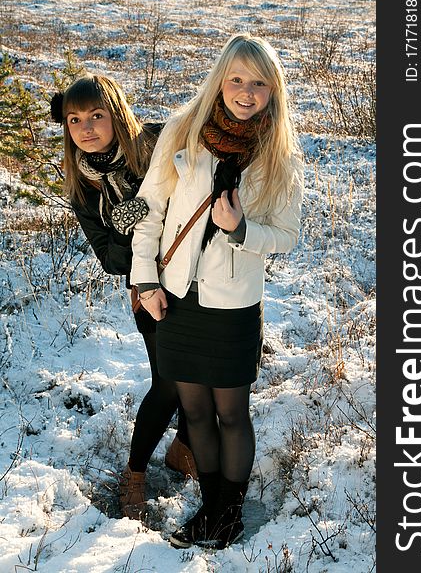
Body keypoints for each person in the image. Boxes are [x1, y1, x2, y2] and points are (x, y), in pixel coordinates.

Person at [131, 34, 304, 549]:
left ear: (273, 92)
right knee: (197, 412)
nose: (246, 93)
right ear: (220, 80)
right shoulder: (183, 132)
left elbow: (288, 237)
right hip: (177, 296)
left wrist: (242, 229)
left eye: (259, 84)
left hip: (232, 304)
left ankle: (226, 517)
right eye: (236, 80)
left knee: (231, 414)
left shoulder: (280, 155)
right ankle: (212, 508)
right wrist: (144, 279)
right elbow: (148, 212)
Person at [50, 73, 197, 521]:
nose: (87, 128)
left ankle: (184, 447)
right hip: (149, 286)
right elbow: (112, 261)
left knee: (204, 376)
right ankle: (134, 473)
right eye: (75, 120)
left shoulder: (155, 143)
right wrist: (128, 218)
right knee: (170, 383)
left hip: (199, 272)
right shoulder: (84, 187)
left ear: (117, 114)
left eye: (97, 115)